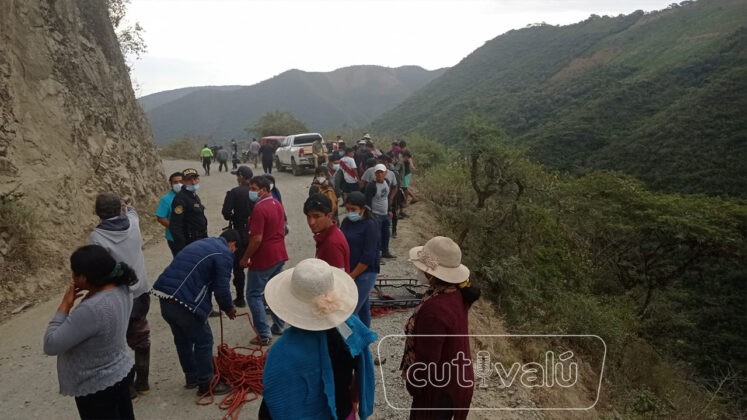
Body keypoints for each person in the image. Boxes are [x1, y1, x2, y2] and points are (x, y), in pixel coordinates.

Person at [259, 259, 377, 420]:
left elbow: (274, 401)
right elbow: (361, 369)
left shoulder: (282, 351)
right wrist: (354, 399)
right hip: (343, 412)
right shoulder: (353, 329)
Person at [44, 245, 138, 420]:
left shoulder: (92, 309)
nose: (72, 278)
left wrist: (65, 305)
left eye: (74, 273)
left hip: (98, 386)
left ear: (83, 277)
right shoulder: (123, 288)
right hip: (120, 371)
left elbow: (51, 345)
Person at [151, 230, 240, 396]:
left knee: (182, 340)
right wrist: (228, 308)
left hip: (164, 296)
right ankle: (207, 383)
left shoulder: (204, 243)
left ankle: (192, 377)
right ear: (233, 244)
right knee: (204, 340)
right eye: (235, 249)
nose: (233, 252)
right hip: (183, 302)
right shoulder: (224, 253)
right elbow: (222, 288)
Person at [400, 236, 480, 420]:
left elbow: (428, 361)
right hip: (454, 379)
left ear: (431, 274)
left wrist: (414, 385)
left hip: (439, 389)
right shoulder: (454, 293)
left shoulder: (435, 310)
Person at [88, 193, 152, 401]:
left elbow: (98, 268)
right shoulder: (133, 223)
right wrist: (128, 205)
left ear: (97, 212)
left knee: (117, 342)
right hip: (140, 291)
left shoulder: (96, 237)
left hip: (116, 297)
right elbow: (132, 211)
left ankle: (128, 389)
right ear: (120, 209)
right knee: (141, 336)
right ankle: (143, 383)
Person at [239, 176, 288, 345]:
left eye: (254, 189)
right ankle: (279, 325)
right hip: (279, 253)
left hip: (264, 257)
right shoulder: (277, 203)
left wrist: (245, 257)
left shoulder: (259, 209)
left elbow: (257, 238)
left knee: (253, 294)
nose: (251, 192)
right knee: (274, 291)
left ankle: (263, 334)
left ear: (264, 190)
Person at [340, 192, 380, 327]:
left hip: (365, 273)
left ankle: (355, 337)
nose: (350, 212)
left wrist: (352, 275)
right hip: (350, 270)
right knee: (363, 308)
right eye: (348, 209)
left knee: (351, 311)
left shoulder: (370, 225)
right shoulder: (346, 222)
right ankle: (366, 336)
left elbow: (368, 256)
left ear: (362, 209)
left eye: (353, 209)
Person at [222, 165, 255, 307]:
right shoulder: (256, 191)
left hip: (240, 231)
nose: (237, 178)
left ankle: (240, 298)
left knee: (238, 266)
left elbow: (226, 213)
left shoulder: (234, 192)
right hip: (255, 231)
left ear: (241, 176)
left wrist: (235, 217)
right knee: (258, 264)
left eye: (237, 176)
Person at [304, 194, 349, 271]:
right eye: (308, 216)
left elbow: (337, 275)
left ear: (329, 216)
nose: (311, 222)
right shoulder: (332, 233)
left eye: (316, 216)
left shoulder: (332, 243)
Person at [170, 168, 207, 254]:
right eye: (189, 180)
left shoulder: (193, 195)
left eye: (195, 179)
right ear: (183, 182)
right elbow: (176, 226)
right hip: (190, 241)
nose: (193, 183)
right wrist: (184, 247)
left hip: (200, 238)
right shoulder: (181, 198)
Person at [364, 164, 396, 259]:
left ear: (385, 173)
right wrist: (370, 215)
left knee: (386, 234)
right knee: (377, 236)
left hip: (385, 213)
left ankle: (385, 251)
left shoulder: (386, 182)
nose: (379, 174)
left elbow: (387, 197)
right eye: (377, 172)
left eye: (381, 172)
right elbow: (367, 201)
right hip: (376, 214)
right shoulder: (371, 186)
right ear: (375, 173)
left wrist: (389, 210)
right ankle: (377, 255)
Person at [156, 171, 183, 257]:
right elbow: (160, 218)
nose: (178, 184)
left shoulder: (189, 195)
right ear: (171, 184)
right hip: (175, 238)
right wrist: (175, 228)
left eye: (181, 181)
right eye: (175, 182)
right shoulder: (166, 199)